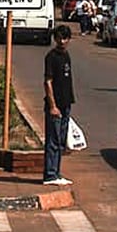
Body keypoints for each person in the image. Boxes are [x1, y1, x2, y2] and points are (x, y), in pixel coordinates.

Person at [43, 25, 75, 186]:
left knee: (61, 140)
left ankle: (56, 172)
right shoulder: (52, 57)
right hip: (55, 106)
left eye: (65, 38)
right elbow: (48, 82)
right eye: (59, 38)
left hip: (66, 103)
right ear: (55, 39)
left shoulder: (66, 56)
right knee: (53, 140)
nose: (62, 41)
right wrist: (52, 106)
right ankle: (50, 174)